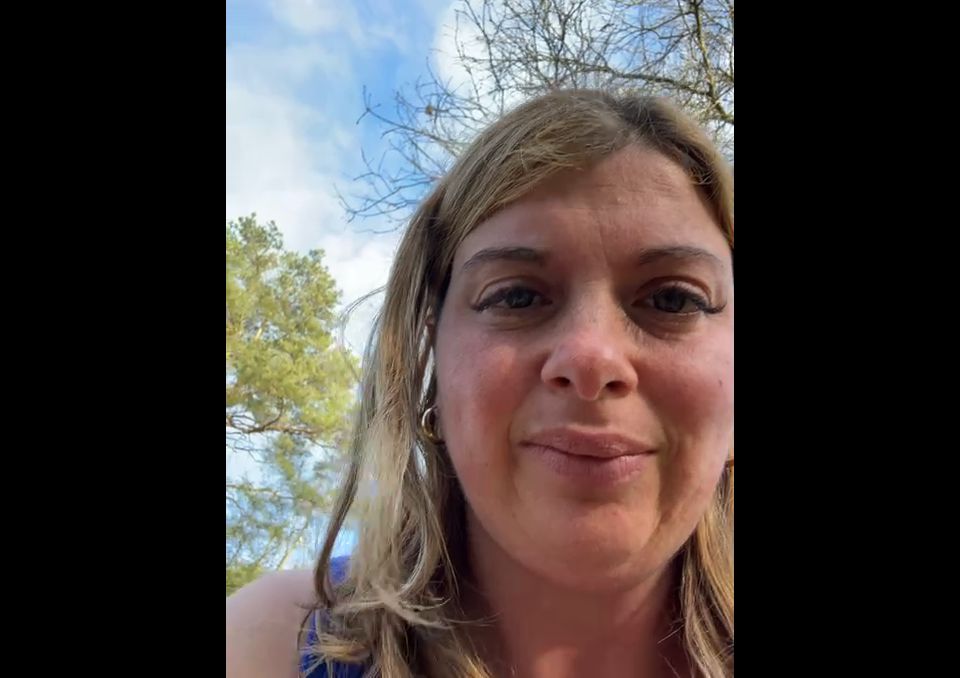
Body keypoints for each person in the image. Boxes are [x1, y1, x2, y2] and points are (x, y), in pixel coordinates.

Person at [226, 88, 734, 678]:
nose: (592, 357)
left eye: (673, 299)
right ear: (433, 364)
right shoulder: (272, 644)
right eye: (515, 296)